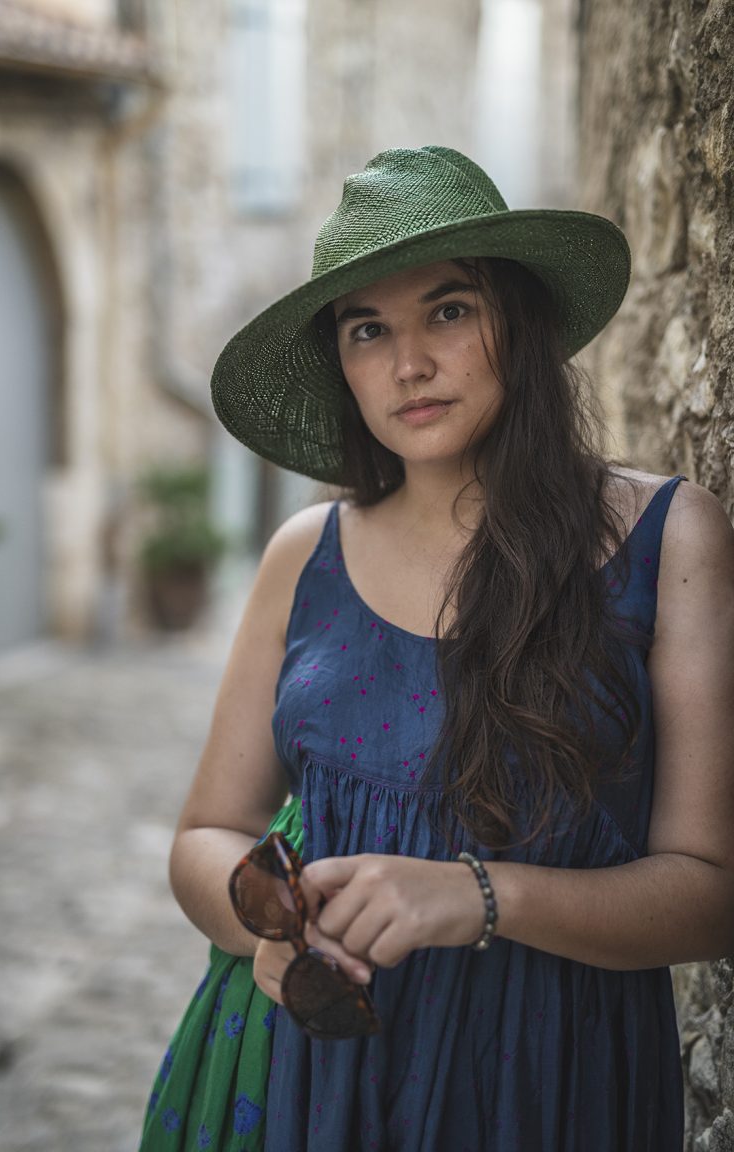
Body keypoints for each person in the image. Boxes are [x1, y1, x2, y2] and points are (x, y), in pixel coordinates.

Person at [158, 147, 734, 1150]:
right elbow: (204, 835)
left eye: (449, 311)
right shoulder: (306, 557)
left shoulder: (669, 542)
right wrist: (268, 922)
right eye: (367, 329)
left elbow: (709, 892)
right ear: (341, 362)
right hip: (328, 1086)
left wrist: (475, 898)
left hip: (559, 1086)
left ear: (517, 318)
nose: (408, 363)